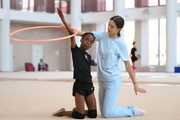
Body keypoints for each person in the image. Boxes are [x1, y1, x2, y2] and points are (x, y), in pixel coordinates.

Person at [76, 15, 147, 118]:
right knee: (104, 112)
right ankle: (128, 109)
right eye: (109, 24)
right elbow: (86, 34)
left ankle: (132, 110)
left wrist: (135, 83)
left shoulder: (121, 44)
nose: (109, 28)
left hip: (113, 81)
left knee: (108, 113)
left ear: (119, 29)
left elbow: (127, 64)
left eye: (112, 26)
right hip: (102, 81)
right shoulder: (103, 36)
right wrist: (70, 30)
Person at [52, 8, 97, 119]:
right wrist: (63, 18)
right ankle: (63, 112)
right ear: (81, 39)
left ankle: (78, 109)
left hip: (89, 84)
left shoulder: (89, 56)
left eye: (91, 42)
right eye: (87, 40)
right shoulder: (75, 50)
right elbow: (72, 33)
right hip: (80, 86)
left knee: (93, 114)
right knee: (80, 116)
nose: (88, 43)